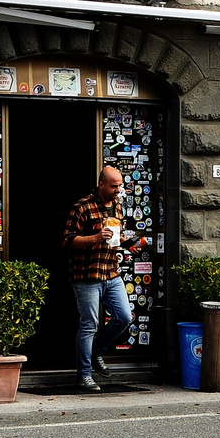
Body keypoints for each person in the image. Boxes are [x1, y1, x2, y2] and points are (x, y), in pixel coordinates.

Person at [62, 165, 142, 391]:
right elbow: (67, 240)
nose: (119, 190)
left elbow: (115, 236)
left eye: (120, 185)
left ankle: (97, 351)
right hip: (87, 274)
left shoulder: (117, 206)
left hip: (111, 272)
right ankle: (84, 374)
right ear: (102, 185)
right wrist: (95, 238)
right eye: (114, 186)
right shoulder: (82, 207)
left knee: (124, 317)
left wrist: (127, 244)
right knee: (89, 324)